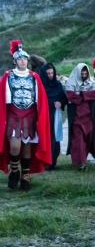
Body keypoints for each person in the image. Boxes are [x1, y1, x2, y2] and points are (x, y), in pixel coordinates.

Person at [0, 40, 51, 190]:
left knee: (27, 147)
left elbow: (40, 99)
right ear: (15, 61)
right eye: (20, 59)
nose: (23, 61)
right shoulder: (8, 76)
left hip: (30, 115)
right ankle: (14, 171)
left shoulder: (34, 76)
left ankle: (25, 177)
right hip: (13, 115)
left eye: (25, 59)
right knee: (15, 146)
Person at [65, 62, 95, 171]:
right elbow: (71, 96)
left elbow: (94, 94)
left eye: (85, 73)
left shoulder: (91, 82)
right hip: (76, 115)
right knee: (78, 139)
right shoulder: (71, 82)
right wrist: (84, 96)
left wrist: (81, 95)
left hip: (88, 115)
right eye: (82, 73)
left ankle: (84, 158)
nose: (84, 75)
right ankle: (80, 162)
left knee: (88, 137)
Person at [39, 63, 67, 170]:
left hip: (55, 114)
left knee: (55, 136)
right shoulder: (39, 85)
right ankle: (45, 162)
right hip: (42, 115)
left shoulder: (57, 85)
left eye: (52, 73)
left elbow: (64, 98)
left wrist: (60, 102)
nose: (50, 75)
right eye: (48, 73)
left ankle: (52, 161)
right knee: (45, 137)